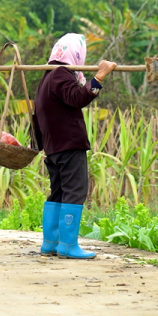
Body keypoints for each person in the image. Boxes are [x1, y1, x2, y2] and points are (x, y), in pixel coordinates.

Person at [32, 33, 117, 260]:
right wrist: (99, 77)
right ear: (75, 54)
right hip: (68, 145)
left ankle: (50, 242)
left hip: (54, 148)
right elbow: (78, 97)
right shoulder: (61, 74)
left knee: (59, 192)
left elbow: (38, 115)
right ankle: (68, 245)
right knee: (74, 192)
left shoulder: (46, 78)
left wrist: (39, 146)